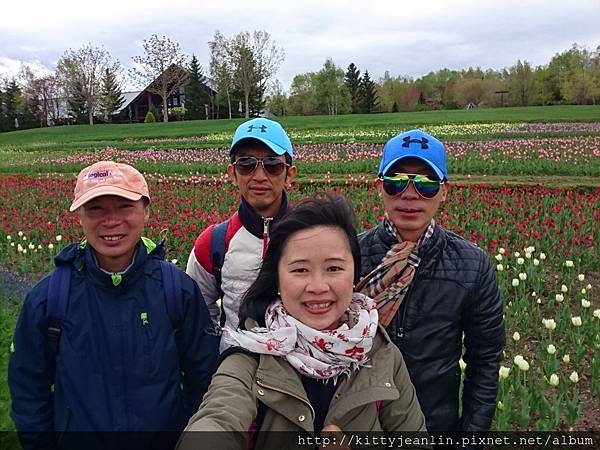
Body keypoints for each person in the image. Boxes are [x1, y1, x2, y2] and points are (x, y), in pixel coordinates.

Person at [178, 195, 428, 450]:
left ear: (355, 273)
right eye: (300, 270)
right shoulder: (251, 358)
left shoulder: (381, 354)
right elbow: (217, 421)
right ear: (276, 279)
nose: (318, 287)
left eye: (334, 268)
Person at [9, 161, 219, 450]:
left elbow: (205, 378)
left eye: (124, 206)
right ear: (79, 215)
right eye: (95, 209)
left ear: (146, 210)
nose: (111, 221)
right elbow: (28, 389)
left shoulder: (177, 290)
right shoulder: (50, 298)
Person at [357, 129, 505, 434]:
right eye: (396, 182)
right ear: (379, 187)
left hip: (435, 426)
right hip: (359, 425)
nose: (409, 195)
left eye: (426, 184)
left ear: (444, 190)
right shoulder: (349, 256)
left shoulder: (472, 266)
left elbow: (485, 361)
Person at [186, 117, 297, 351]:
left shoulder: (313, 238)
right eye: (246, 164)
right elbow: (199, 316)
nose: (259, 176)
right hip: (239, 374)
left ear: (290, 174)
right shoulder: (213, 243)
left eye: (272, 164)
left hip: (301, 374)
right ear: (233, 173)